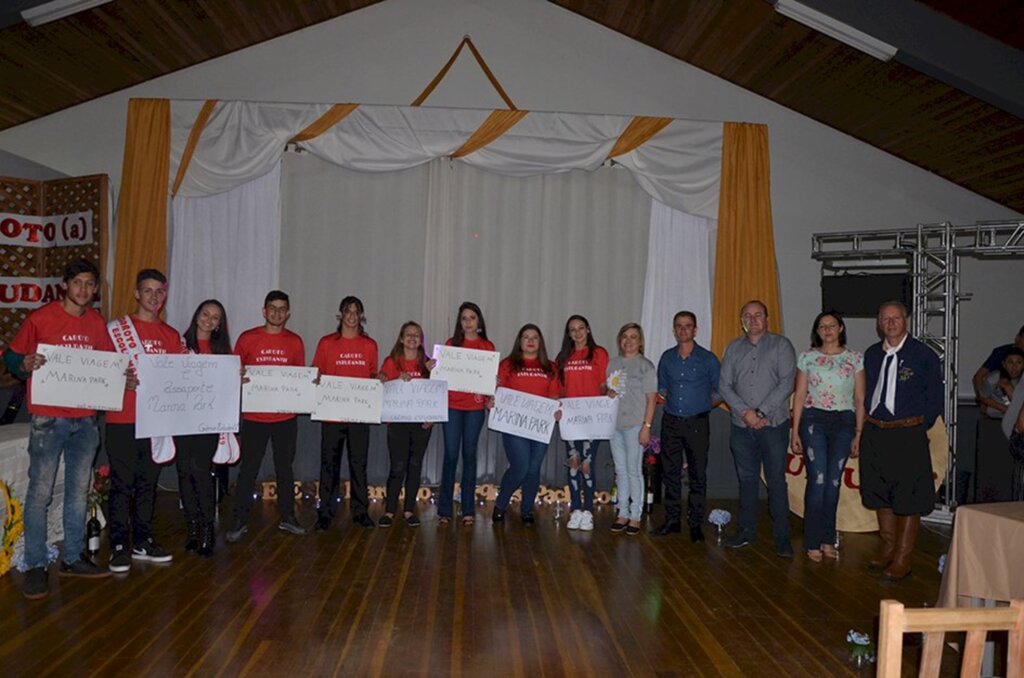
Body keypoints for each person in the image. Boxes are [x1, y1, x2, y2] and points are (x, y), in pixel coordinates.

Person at [5, 259, 114, 598]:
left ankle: (71, 557)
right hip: (48, 419)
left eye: (90, 284)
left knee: (79, 491)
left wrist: (120, 378)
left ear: (96, 289)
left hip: (85, 421)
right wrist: (23, 365)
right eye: (77, 282)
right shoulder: (41, 318)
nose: (83, 289)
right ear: (65, 285)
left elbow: (107, 366)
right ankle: (37, 564)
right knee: (40, 492)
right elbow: (11, 357)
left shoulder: (97, 322)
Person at [105, 269, 185, 574]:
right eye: (147, 291)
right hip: (122, 418)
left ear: (165, 295)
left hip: (155, 421)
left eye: (159, 292)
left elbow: (180, 376)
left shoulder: (171, 335)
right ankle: (119, 545)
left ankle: (141, 539)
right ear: (137, 294)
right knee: (122, 483)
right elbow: (99, 372)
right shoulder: (115, 330)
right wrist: (118, 379)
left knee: (147, 483)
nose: (153, 297)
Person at [860, 300, 942, 580]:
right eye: (885, 319)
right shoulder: (871, 355)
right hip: (875, 432)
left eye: (896, 318)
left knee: (909, 496)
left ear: (906, 321)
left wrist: (917, 425)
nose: (891, 323)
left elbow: (935, 399)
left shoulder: (923, 355)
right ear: (878, 323)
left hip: (908, 433)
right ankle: (888, 550)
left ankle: (903, 559)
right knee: (880, 492)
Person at [226, 291, 307, 543]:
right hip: (254, 417)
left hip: (285, 418)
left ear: (288, 313)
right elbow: (232, 371)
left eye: (282, 309)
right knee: (248, 470)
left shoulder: (295, 341)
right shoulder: (247, 338)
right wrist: (238, 377)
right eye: (272, 308)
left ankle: (287, 517)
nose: (277, 313)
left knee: (285, 469)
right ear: (264, 311)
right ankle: (240, 519)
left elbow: (298, 378)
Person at [718, 300, 797, 557]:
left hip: (773, 426)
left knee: (776, 481)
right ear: (742, 320)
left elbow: (787, 383)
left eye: (757, 315)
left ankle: (782, 537)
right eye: (747, 316)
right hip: (742, 427)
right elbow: (725, 386)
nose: (753, 320)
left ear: (767, 318)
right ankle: (746, 532)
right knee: (747, 481)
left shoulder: (781, 345)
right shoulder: (733, 348)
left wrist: (761, 413)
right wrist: (746, 413)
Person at [790, 311, 865, 562]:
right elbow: (799, 396)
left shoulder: (855, 359)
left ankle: (827, 538)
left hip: (844, 422)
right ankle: (812, 540)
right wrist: (795, 431)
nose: (827, 330)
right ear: (817, 331)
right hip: (814, 421)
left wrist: (858, 433)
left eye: (832, 325)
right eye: (822, 326)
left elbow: (860, 399)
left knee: (834, 482)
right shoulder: (807, 358)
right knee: (818, 479)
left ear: (841, 328)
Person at [312, 296, 378, 531]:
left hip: (359, 416)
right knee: (329, 465)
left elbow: (372, 376)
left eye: (356, 311)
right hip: (332, 415)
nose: (352, 315)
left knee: (358, 464)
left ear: (361, 316)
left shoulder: (370, 345)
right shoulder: (327, 343)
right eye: (347, 311)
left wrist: (377, 381)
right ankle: (325, 513)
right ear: (340, 315)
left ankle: (360, 512)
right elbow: (316, 374)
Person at [655, 311, 720, 542]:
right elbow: (661, 388)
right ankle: (672, 520)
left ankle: (695, 524)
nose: (683, 330)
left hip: (698, 422)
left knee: (697, 474)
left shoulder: (708, 359)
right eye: (679, 326)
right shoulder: (666, 358)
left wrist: (703, 406)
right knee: (670, 473)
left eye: (688, 326)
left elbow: (720, 391)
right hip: (671, 421)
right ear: (674, 330)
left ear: (695, 330)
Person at [174, 300, 231, 558]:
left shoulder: (223, 353)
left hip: (208, 422)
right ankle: (192, 527)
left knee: (202, 473)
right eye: (206, 314)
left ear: (219, 325)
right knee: (184, 473)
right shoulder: (179, 346)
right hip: (182, 419)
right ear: (197, 315)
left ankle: (208, 528)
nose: (209, 320)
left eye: (215, 318)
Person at [492, 324, 561, 526]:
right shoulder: (507, 364)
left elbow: (555, 395)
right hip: (514, 425)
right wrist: (492, 401)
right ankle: (501, 503)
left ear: (540, 342)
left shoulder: (551, 367)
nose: (530, 341)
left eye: (534, 337)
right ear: (519, 341)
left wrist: (557, 409)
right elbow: (497, 392)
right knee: (520, 466)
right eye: (525, 337)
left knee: (533, 468)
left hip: (541, 425)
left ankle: (527, 510)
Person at [438, 302, 495, 526]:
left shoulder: (487, 347)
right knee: (451, 455)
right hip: (451, 406)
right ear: (460, 322)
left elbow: (490, 378)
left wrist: (494, 384)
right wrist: (435, 367)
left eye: (472, 317)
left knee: (469, 456)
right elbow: (441, 375)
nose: (468, 322)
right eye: (464, 318)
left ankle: (468, 509)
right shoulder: (450, 345)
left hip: (474, 408)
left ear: (479, 321)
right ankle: (444, 510)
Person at [377, 321, 433, 528]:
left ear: (421, 341)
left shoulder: (428, 364)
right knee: (397, 466)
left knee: (415, 466)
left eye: (416, 335)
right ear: (401, 338)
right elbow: (381, 386)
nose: (412, 338)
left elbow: (434, 393)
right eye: (408, 334)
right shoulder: (391, 362)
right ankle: (390, 510)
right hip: (397, 423)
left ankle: (409, 510)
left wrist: (432, 416)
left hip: (421, 424)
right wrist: (389, 380)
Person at [556, 315, 609, 532]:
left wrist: (607, 402)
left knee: (587, 465)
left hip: (592, 419)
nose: (577, 333)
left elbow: (604, 386)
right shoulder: (563, 357)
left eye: (581, 328)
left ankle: (588, 510)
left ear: (588, 330)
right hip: (570, 420)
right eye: (572, 330)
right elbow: (559, 390)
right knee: (574, 464)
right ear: (568, 334)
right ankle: (575, 509)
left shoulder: (599, 353)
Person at [606, 323, 657, 536]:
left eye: (633, 337)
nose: (628, 341)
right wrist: (608, 393)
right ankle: (622, 512)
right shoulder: (612, 363)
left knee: (634, 470)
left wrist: (646, 427)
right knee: (621, 471)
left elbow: (651, 399)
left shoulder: (646, 366)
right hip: (614, 425)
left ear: (640, 341)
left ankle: (635, 515)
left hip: (635, 425)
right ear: (620, 340)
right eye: (625, 337)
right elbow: (610, 389)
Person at [971, 324, 1024, 401]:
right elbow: (978, 376)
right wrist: (983, 402)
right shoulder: (1001, 352)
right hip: (998, 398)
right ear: (1017, 338)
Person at [977, 347, 1023, 419]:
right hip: (998, 410)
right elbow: (983, 397)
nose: (1014, 367)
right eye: (1010, 362)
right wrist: (1004, 408)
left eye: (1019, 362)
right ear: (1004, 364)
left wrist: (1009, 390)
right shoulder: (994, 378)